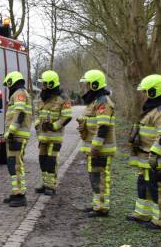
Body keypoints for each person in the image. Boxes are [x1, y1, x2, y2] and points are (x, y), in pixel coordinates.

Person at [126, 74, 161, 229]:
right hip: (147, 158)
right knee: (144, 185)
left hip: (159, 160)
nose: (144, 95)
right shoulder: (154, 108)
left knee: (159, 189)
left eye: (146, 91)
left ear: (154, 92)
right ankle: (143, 214)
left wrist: (154, 154)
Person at [77, 69, 116, 216]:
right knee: (94, 177)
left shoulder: (103, 102)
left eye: (87, 84)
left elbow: (103, 126)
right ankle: (97, 204)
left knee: (100, 177)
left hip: (100, 150)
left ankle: (102, 207)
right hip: (94, 149)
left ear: (94, 85)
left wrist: (96, 146)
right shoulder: (95, 101)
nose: (85, 87)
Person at [34, 70, 73, 196]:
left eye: (44, 84)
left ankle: (51, 186)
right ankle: (45, 183)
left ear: (51, 84)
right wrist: (36, 125)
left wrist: (53, 126)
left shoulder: (63, 98)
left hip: (55, 137)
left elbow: (67, 117)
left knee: (51, 161)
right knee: (42, 160)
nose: (42, 86)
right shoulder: (41, 97)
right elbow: (36, 113)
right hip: (42, 137)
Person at [2, 71, 32, 207]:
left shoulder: (19, 93)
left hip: (17, 135)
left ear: (11, 82)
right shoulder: (20, 93)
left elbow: (20, 113)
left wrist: (11, 131)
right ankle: (16, 192)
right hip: (17, 135)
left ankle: (20, 196)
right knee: (13, 164)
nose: (8, 88)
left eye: (8, 85)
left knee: (16, 165)